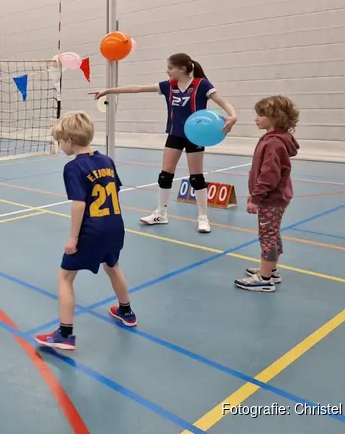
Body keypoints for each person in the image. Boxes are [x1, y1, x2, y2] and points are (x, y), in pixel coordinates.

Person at [90, 52, 238, 233]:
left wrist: (233, 116)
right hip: (175, 134)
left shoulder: (202, 85)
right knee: (165, 175)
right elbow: (137, 88)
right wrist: (109, 91)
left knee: (196, 177)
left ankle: (202, 217)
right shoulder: (168, 86)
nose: (167, 71)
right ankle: (161, 213)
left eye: (170, 68)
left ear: (182, 69)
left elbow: (224, 103)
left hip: (195, 136)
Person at [35, 111, 136, 351]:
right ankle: (126, 311)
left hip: (91, 230)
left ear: (69, 140)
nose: (60, 146)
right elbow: (115, 190)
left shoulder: (73, 167)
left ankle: (65, 334)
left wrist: (73, 237)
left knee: (65, 276)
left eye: (60, 141)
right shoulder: (106, 160)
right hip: (115, 226)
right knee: (112, 267)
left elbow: (79, 204)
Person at [235, 96, 299, 292]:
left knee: (267, 235)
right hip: (274, 197)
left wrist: (256, 198)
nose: (256, 118)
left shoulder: (273, 143)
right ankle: (271, 269)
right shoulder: (274, 140)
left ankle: (264, 278)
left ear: (275, 118)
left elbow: (269, 175)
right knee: (272, 232)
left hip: (272, 198)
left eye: (261, 115)